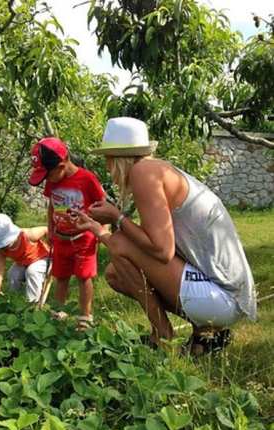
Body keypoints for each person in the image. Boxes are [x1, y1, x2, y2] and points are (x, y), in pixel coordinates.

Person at [75, 117, 257, 355]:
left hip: (223, 298)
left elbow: (161, 250)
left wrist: (117, 219)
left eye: (107, 160)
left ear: (116, 158)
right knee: (115, 274)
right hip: (224, 295)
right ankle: (204, 335)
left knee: (119, 241)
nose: (108, 168)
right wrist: (102, 227)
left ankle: (162, 335)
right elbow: (147, 244)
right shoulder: (157, 170)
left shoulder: (143, 173)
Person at [28, 136, 105, 330]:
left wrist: (102, 230)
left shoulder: (87, 179)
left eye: (47, 174)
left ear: (61, 164)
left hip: (83, 238)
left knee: (83, 276)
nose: (46, 179)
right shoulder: (52, 181)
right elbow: (52, 206)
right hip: (60, 238)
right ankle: (58, 313)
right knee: (60, 276)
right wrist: (51, 230)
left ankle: (85, 317)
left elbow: (102, 206)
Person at [0, 213, 50, 303]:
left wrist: (53, 244)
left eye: (4, 243)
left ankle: (32, 303)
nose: (3, 247)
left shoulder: (29, 235)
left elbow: (46, 230)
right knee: (13, 274)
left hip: (42, 258)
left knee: (32, 271)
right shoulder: (1, 250)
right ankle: (15, 301)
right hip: (23, 262)